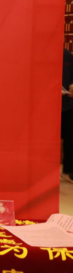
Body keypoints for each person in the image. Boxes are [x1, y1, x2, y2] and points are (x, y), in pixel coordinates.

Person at [62, 48, 73, 184]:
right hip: (45, 106)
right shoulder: (38, 53)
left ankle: (68, 170)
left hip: (68, 103)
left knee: (70, 138)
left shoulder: (67, 54)